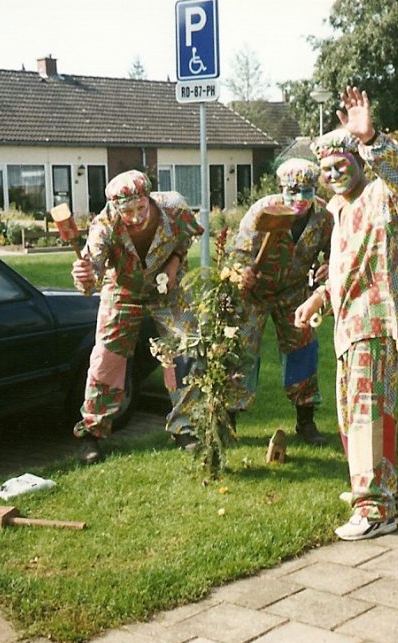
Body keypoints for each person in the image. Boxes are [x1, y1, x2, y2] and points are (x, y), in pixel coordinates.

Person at [294, 87, 398, 541]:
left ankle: (374, 510)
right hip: (348, 328)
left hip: (375, 322)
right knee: (354, 414)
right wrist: (315, 300)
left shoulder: (384, 198)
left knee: (367, 412)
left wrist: (372, 138)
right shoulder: (338, 208)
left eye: (340, 165)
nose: (332, 174)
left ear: (359, 162)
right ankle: (382, 487)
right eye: (325, 170)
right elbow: (341, 270)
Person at [71, 169, 202, 463]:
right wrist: (84, 274)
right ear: (116, 208)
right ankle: (92, 433)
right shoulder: (104, 227)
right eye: (126, 211)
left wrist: (174, 263)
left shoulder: (174, 207)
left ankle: (186, 427)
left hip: (167, 287)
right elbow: (90, 276)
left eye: (140, 208)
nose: (135, 217)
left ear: (149, 198)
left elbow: (185, 238)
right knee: (107, 358)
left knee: (185, 349)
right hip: (123, 289)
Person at [230, 158, 334, 445]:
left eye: (307, 192)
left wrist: (329, 268)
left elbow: (336, 252)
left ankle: (306, 421)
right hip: (255, 295)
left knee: (302, 349)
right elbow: (238, 253)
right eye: (292, 191)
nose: (300, 199)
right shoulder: (264, 212)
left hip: (293, 294)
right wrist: (243, 272)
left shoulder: (324, 218)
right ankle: (228, 420)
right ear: (281, 188)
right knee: (242, 351)